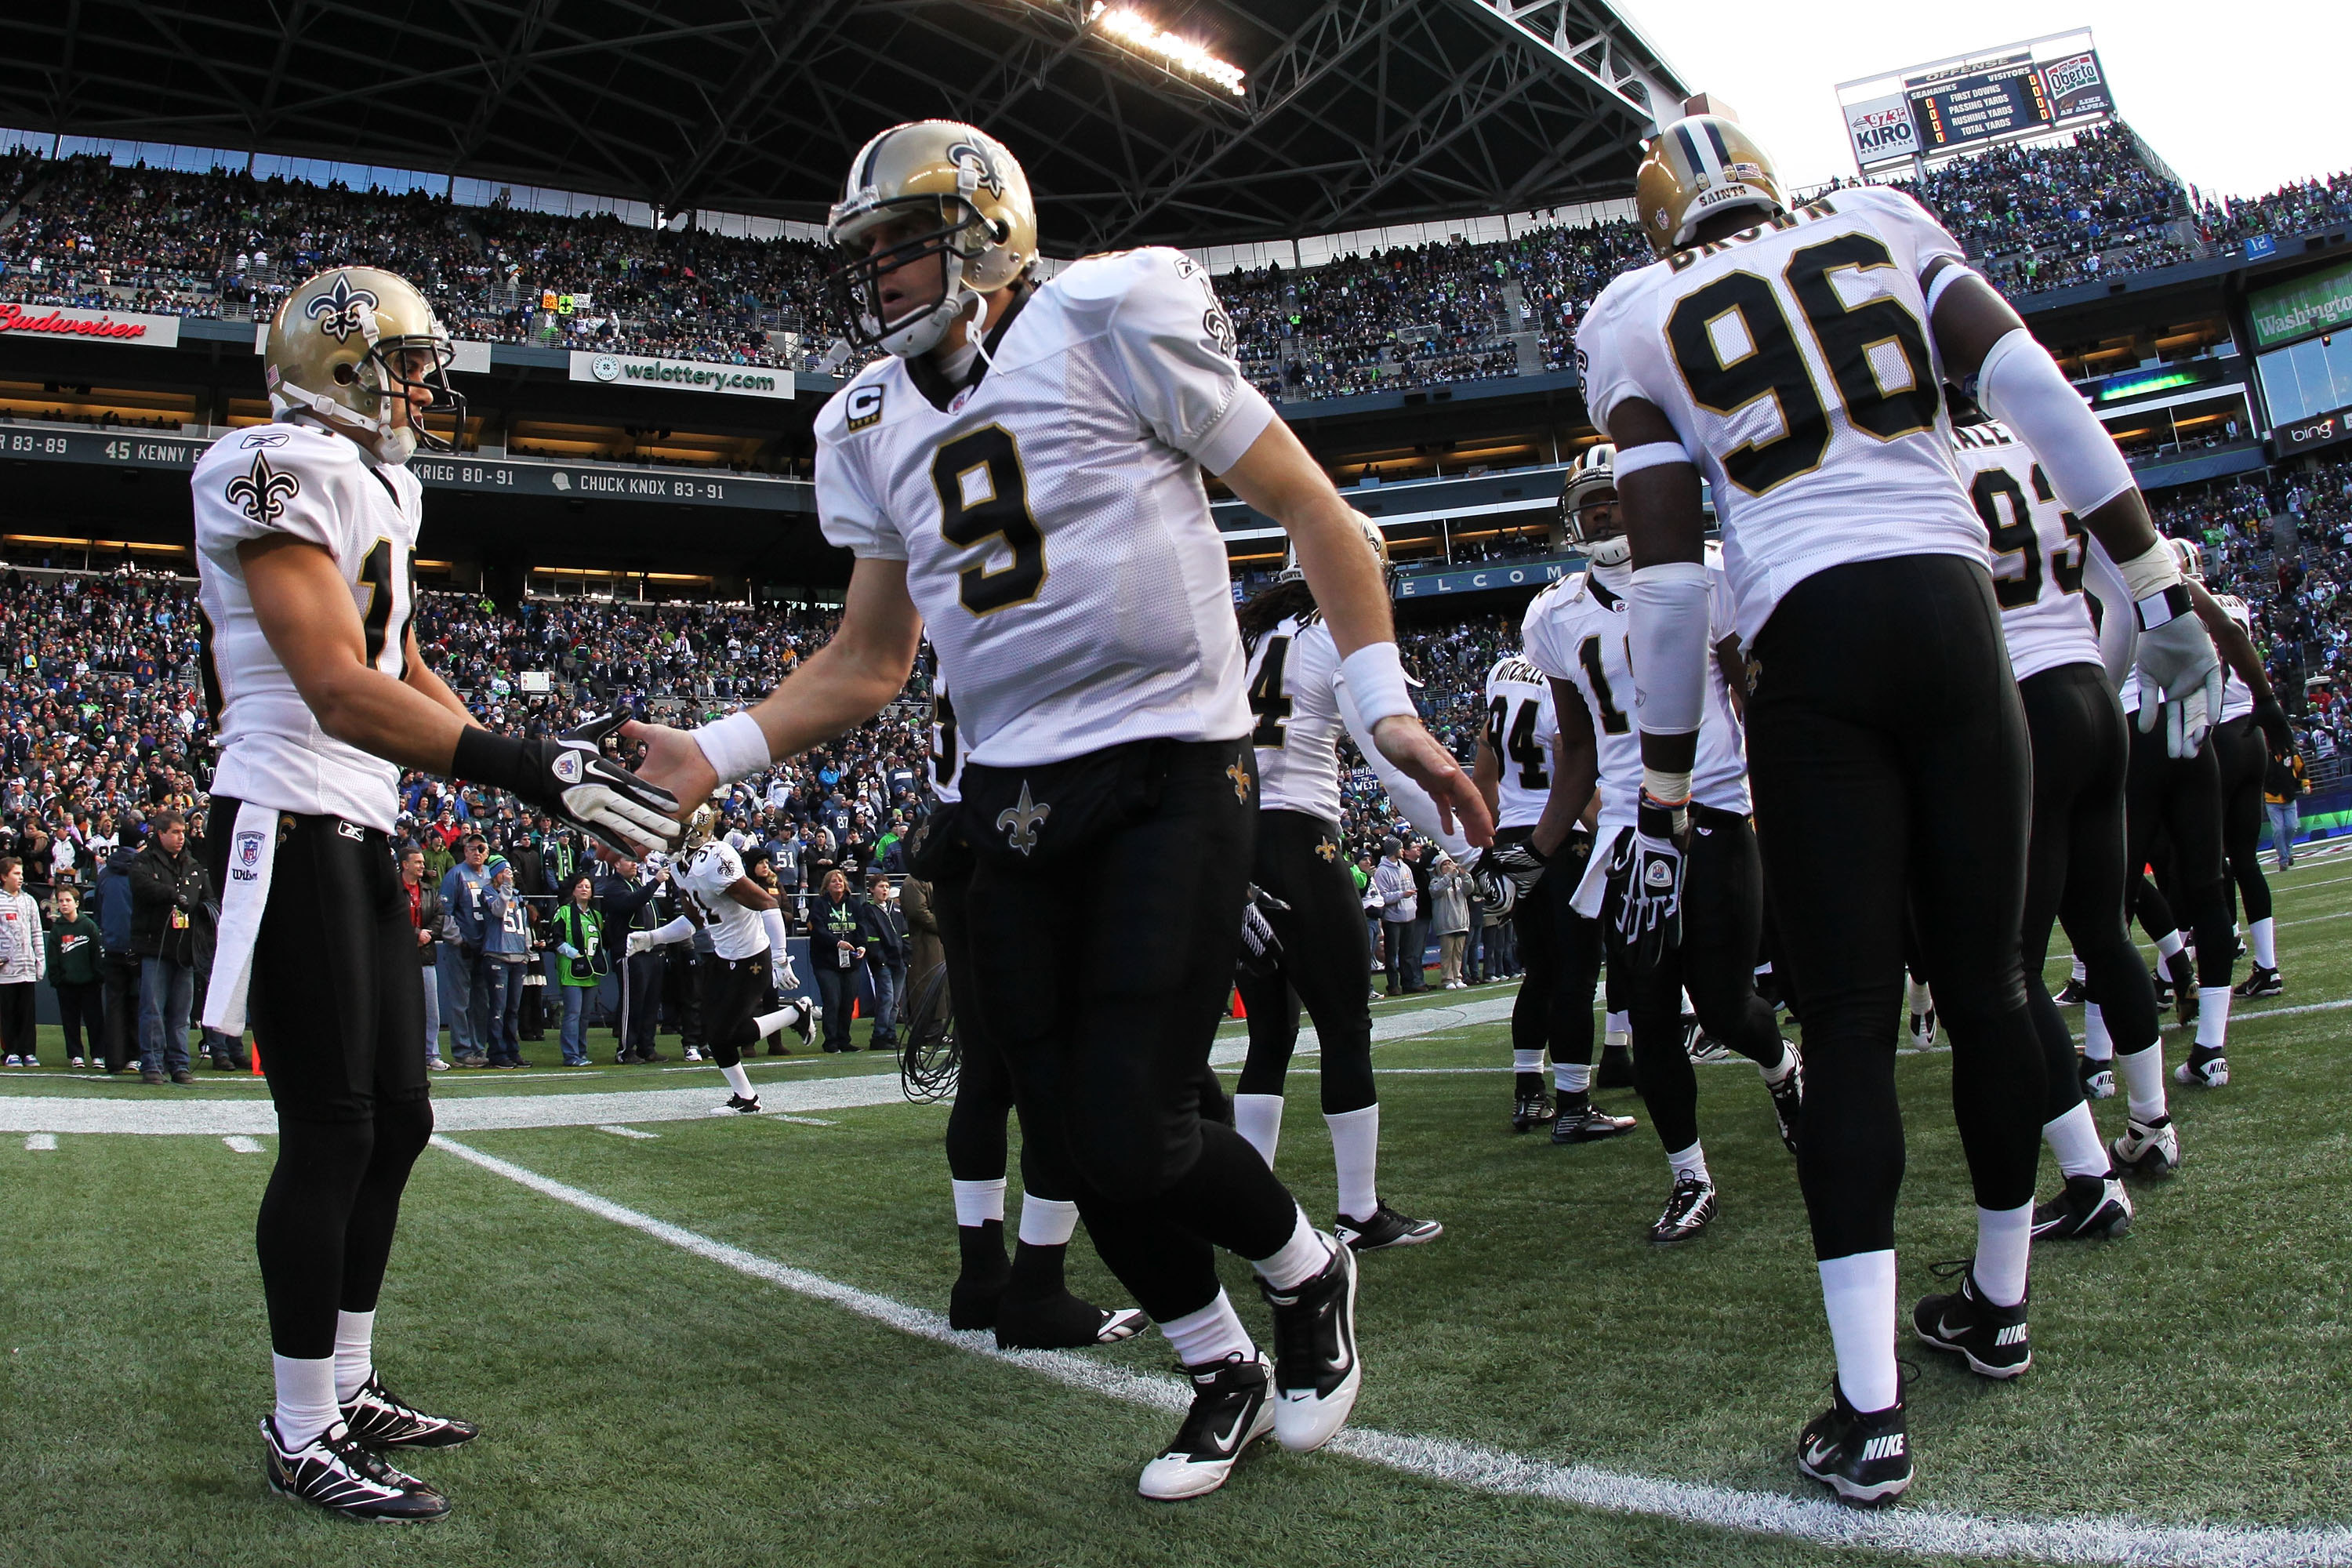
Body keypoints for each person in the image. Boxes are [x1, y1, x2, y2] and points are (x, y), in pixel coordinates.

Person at [623, 119, 1486, 1501]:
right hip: (1007, 803)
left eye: (906, 244)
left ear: (985, 231)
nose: (885, 276)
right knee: (1071, 1136)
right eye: (875, 253)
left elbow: (1320, 512)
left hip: (1170, 768)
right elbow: (870, 660)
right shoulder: (866, 418)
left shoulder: (1108, 317)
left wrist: (1386, 704)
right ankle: (1220, 1369)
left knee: (1135, 1113)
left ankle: (1306, 1274)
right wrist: (720, 749)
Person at [1581, 114, 2217, 1502]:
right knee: (1992, 981)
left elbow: (1677, 585)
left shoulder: (1636, 312)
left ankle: (1869, 1415)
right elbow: (2038, 390)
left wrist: (1672, 790)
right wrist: (2158, 580)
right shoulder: (1881, 223)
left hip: (1815, 641)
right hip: (1955, 615)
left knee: (1854, 1021)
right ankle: (1997, 1307)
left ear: (1659, 220)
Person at [191, 263, 677, 1520]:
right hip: (279, 814)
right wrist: (514, 761)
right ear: (340, 368)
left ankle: (346, 1384)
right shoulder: (264, 467)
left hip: (353, 822)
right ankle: (299, 1428)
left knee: (399, 1117)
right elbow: (339, 692)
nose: (424, 389)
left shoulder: (382, 483)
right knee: (336, 1124)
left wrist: (541, 775)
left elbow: (400, 660)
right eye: (406, 366)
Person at [1524, 441, 1802, 1244]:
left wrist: (1778, 795)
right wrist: (1535, 851)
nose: (1605, 513)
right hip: (1622, 833)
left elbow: (1746, 694)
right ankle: (1690, 1176)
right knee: (1649, 1015)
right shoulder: (1554, 615)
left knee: (1721, 1004)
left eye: (1615, 496)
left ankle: (1783, 1066)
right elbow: (1576, 748)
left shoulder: (1705, 577)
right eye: (1592, 502)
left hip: (1712, 805)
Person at [1231, 524, 1455, 1250]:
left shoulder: (1247, 638)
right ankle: (1358, 1211)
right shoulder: (1336, 634)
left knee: (1268, 1036)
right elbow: (1393, 768)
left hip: (1235, 845)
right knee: (1344, 1027)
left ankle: (1249, 1207)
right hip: (1303, 841)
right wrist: (1472, 850)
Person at [1474, 646, 1625, 1141]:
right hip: (1560, 836)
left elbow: (1486, 759)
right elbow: (1567, 755)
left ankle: (1528, 1094)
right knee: (1575, 976)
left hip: (1515, 835)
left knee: (1538, 971)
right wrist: (1606, 826)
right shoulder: (1559, 673)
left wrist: (1495, 832)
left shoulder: (1501, 671)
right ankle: (1575, 1104)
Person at [629, 807, 816, 1108]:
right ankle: (748, 1094)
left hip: (751, 956)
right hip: (722, 954)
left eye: (674, 832)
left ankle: (792, 1019)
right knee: (713, 1033)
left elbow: (767, 903)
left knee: (724, 1035)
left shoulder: (716, 859)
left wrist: (781, 956)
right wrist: (652, 937)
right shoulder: (680, 866)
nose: (667, 839)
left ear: (695, 832)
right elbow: (694, 920)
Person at [132, 809, 210, 1085]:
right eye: (175, 832)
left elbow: (208, 900)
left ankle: (179, 1064)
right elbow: (142, 888)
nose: (181, 837)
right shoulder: (144, 862)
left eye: (183, 831)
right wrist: (173, 895)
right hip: (155, 946)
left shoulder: (194, 866)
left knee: (181, 1014)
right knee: (152, 1008)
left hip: (185, 950)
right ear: (161, 834)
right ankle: (152, 1063)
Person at [597, 854, 666, 1065]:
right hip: (631, 953)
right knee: (633, 1004)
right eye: (629, 860)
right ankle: (626, 1050)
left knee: (651, 1004)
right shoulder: (614, 887)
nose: (635, 864)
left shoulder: (637, 883)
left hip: (652, 952)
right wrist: (656, 882)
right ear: (617, 864)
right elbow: (630, 903)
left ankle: (647, 1047)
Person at [93, 840, 143, 1074]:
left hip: (112, 946)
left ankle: (114, 1059)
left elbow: (98, 912)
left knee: (114, 1005)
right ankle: (135, 1056)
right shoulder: (140, 872)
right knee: (136, 1003)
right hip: (136, 946)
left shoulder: (105, 875)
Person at [397, 848, 449, 1072]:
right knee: (400, 1008)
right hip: (398, 956)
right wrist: (414, 934)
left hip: (426, 955)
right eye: (417, 862)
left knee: (431, 1009)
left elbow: (440, 916)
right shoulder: (393, 891)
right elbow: (390, 918)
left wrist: (426, 934)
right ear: (405, 864)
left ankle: (431, 1054)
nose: (421, 865)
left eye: (422, 862)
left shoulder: (429, 891)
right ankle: (401, 1055)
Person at [478, 857, 533, 1068]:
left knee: (513, 1009)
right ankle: (497, 1052)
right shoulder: (488, 892)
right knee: (498, 1009)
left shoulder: (518, 896)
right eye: (504, 871)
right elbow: (499, 911)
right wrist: (507, 887)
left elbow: (525, 925)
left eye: (510, 871)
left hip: (518, 956)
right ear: (495, 873)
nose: (508, 875)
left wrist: (528, 951)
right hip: (498, 954)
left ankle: (512, 1049)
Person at [548, 873, 607, 1067]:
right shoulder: (564, 912)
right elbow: (555, 940)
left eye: (587, 887)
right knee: (573, 1013)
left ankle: (581, 1051)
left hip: (591, 971)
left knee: (584, 1016)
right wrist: (575, 955)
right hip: (572, 969)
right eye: (580, 886)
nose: (584, 889)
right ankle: (571, 1054)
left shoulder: (596, 916)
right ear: (573, 890)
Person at [808, 866, 867, 1053]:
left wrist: (862, 945)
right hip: (826, 961)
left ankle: (844, 1040)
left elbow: (862, 926)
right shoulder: (820, 904)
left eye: (840, 880)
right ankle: (831, 1042)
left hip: (850, 961)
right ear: (827, 885)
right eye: (834, 881)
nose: (838, 883)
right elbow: (817, 929)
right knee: (832, 1000)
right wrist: (837, 943)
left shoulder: (854, 904)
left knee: (848, 1001)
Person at [47, 884, 105, 1069]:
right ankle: (76, 1055)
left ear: (76, 903)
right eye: (61, 901)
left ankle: (98, 1055)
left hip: (89, 984)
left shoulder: (88, 926)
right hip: (67, 985)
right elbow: (53, 958)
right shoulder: (57, 930)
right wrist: (58, 980)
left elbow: (97, 954)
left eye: (68, 900)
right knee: (70, 1022)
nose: (64, 904)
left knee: (95, 1021)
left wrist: (98, 977)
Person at [0, 858, 43, 1067]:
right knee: (8, 1011)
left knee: (27, 1012)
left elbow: (37, 933)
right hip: (6, 969)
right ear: (4, 877)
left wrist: (40, 961)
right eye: (16, 874)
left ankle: (28, 1052)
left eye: (21, 873)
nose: (21, 877)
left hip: (27, 966)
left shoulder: (29, 901)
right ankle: (11, 1051)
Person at [863, 870, 908, 1049]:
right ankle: (879, 1035)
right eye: (881, 886)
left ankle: (890, 1034)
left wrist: (906, 957)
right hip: (883, 962)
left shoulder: (895, 909)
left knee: (895, 1001)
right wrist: (879, 959)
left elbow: (905, 933)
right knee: (887, 998)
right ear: (872, 890)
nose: (885, 890)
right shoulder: (868, 910)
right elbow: (871, 938)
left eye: (887, 887)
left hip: (899, 961)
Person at [1428, 857, 1470, 989]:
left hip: (1461, 922)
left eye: (1449, 863)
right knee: (1447, 953)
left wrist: (1465, 874)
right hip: (1446, 924)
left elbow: (1469, 889)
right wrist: (1448, 877)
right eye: (1444, 865)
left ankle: (1458, 977)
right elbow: (1436, 891)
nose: (1448, 866)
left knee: (1458, 952)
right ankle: (1447, 979)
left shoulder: (1458, 881)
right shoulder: (1435, 881)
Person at [2264, 746, 2307, 871]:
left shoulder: (2291, 752)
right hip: (2272, 798)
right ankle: (2283, 860)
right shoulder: (2264, 755)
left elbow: (2301, 768)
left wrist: (2306, 783)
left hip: (2289, 797)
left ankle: (2287, 853)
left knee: (2292, 827)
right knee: (2278, 830)